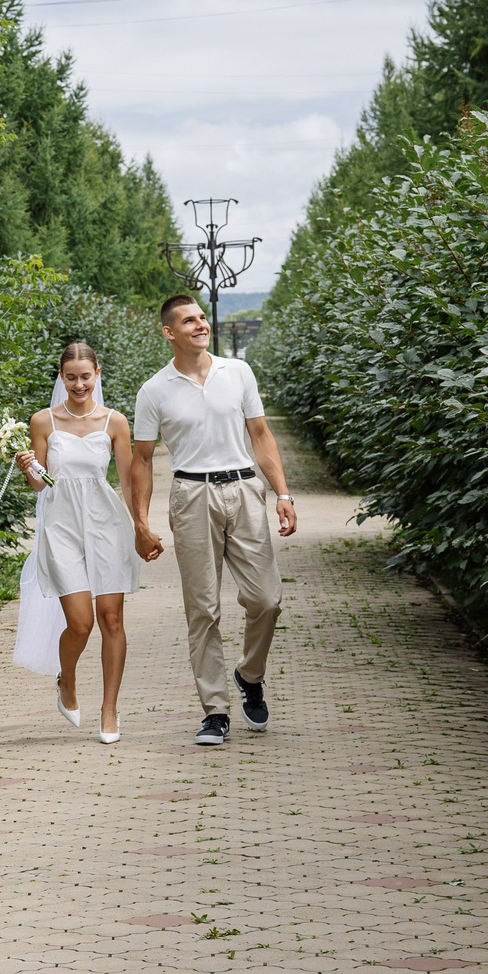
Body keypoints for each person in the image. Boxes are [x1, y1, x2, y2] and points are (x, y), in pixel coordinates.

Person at [122, 294, 298, 747]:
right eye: (189, 320)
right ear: (169, 332)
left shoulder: (236, 372)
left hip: (243, 489)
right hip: (190, 494)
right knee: (203, 608)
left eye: (202, 317)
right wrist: (140, 523)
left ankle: (249, 674)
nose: (201, 325)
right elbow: (141, 461)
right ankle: (215, 710)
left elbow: (260, 434)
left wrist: (282, 492)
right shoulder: (153, 390)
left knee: (267, 599)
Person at [9, 342, 152, 741]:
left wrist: (141, 526)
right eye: (70, 377)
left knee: (111, 619)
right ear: (61, 377)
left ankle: (110, 711)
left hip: (105, 523)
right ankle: (66, 679)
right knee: (80, 622)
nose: (78, 384)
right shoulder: (43, 422)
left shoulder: (115, 422)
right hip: (61, 526)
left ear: (97, 374)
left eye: (85, 376)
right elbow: (40, 483)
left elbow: (127, 482)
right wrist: (27, 467)